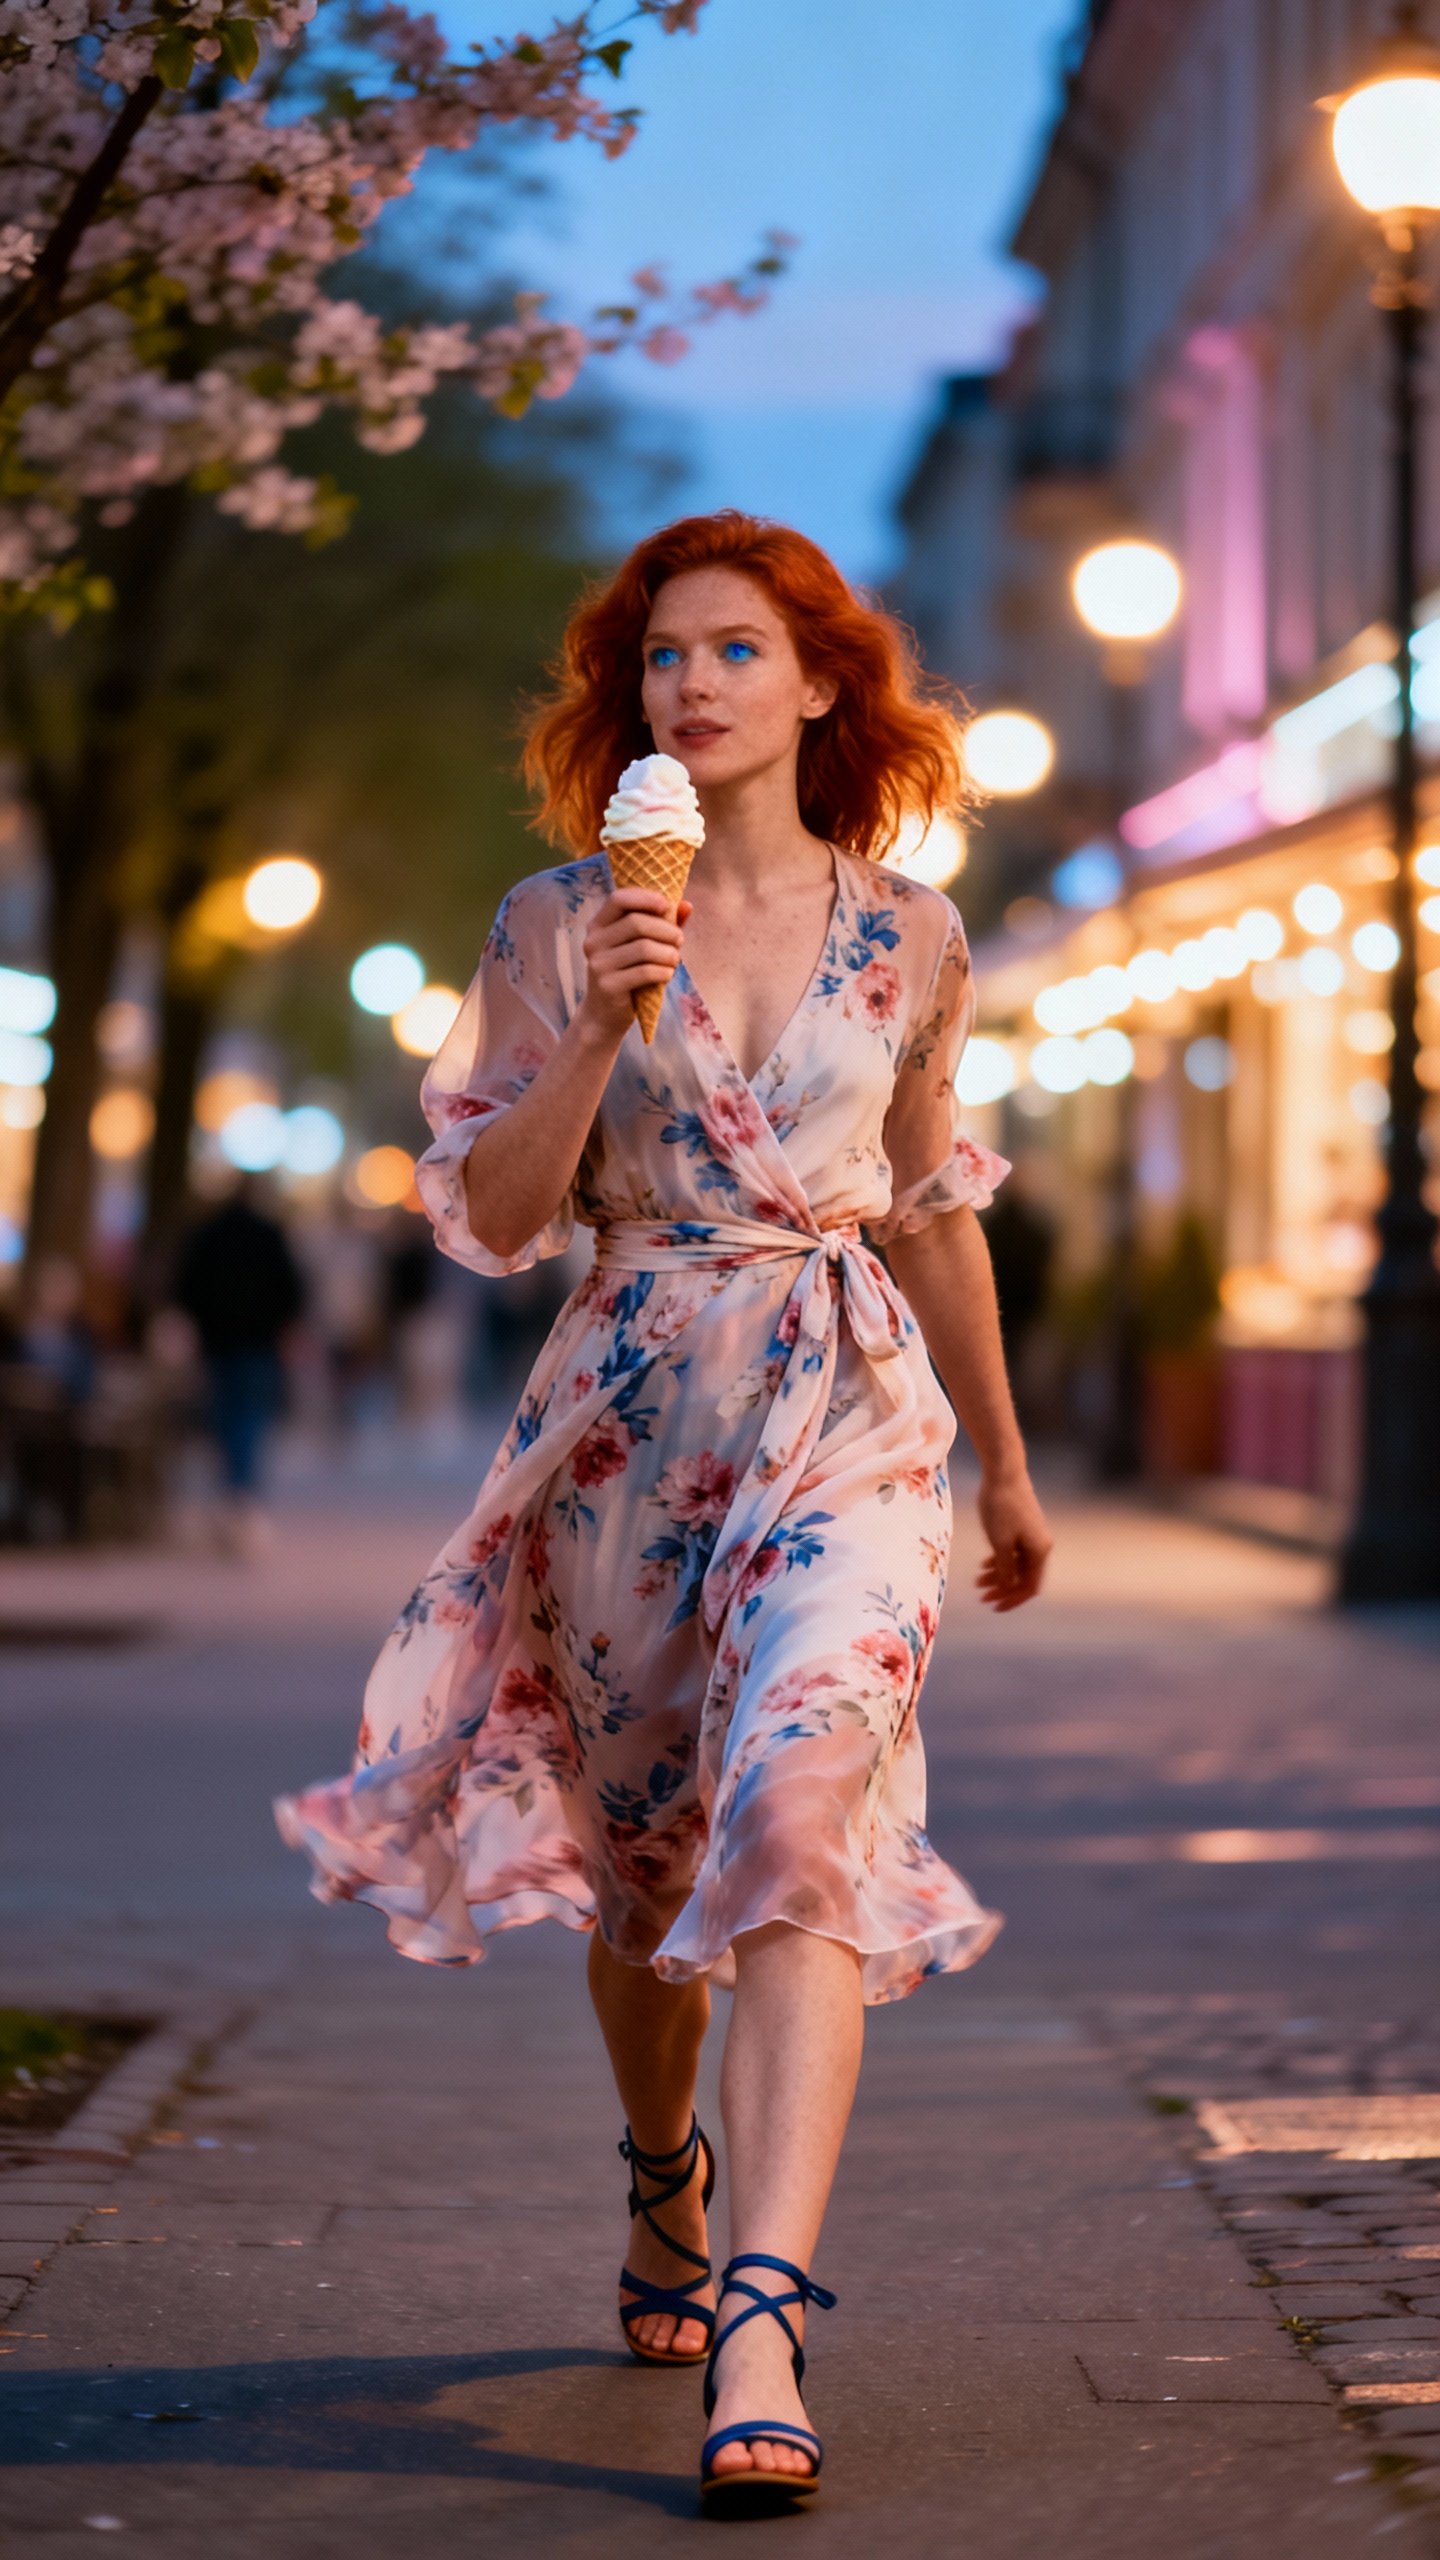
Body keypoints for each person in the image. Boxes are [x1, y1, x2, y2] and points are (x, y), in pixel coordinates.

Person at [276, 510, 1051, 2513]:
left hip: (846, 1404)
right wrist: (607, 1016)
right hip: (628, 1412)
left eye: (734, 648)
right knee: (651, 1887)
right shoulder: (552, 921)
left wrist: (1011, 1462)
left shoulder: (916, 933)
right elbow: (503, 1215)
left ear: (819, 681)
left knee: (801, 1808)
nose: (689, 683)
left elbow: (933, 1204)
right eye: (659, 657)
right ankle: (662, 2178)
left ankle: (768, 2313)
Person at [174, 1175, 304, 1549]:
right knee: (249, 1417)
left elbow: (187, 1287)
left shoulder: (209, 1234)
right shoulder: (267, 1234)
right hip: (257, 1343)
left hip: (218, 1343)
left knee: (225, 1416)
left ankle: (232, 1491)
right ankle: (241, 1493)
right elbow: (291, 1289)